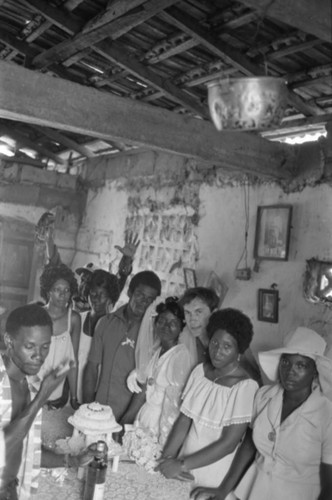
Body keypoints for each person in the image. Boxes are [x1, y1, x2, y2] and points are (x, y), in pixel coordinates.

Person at [191, 327, 332, 500]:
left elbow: (330, 484)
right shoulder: (264, 396)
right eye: (285, 362)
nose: (290, 371)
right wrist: (223, 489)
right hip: (253, 491)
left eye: (301, 365)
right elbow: (248, 446)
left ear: (315, 372)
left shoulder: (327, 414)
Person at [156, 309, 259, 497]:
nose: (218, 351)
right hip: (183, 463)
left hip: (213, 471)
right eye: (215, 342)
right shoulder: (199, 372)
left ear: (239, 351)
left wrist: (181, 464)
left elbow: (229, 443)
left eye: (227, 346)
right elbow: (184, 421)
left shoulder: (245, 387)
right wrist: (167, 458)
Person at [0, 304, 88, 500]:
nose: (39, 356)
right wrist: (42, 398)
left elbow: (28, 448)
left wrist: (73, 461)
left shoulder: (30, 386)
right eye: (29, 346)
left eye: (45, 346)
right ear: (9, 341)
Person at [82, 270, 162, 420]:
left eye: (149, 299)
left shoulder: (154, 335)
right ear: (130, 292)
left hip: (128, 416)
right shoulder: (105, 323)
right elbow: (92, 367)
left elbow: (146, 384)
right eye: (140, 295)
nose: (143, 302)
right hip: (98, 409)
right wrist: (87, 407)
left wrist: (126, 420)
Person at [121, 297, 191, 445]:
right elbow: (143, 392)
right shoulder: (157, 352)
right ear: (155, 322)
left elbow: (174, 407)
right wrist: (125, 421)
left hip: (161, 427)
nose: (166, 326)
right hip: (144, 417)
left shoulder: (180, 357)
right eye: (162, 321)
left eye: (173, 323)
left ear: (181, 327)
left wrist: (163, 443)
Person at [179, 288, 261, 382]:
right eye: (188, 313)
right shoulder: (187, 341)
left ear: (213, 313)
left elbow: (255, 379)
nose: (192, 319)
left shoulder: (233, 341)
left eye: (198, 312)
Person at [38, 263, 81, 410]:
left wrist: (74, 397)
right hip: (34, 387)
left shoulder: (74, 319)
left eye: (67, 290)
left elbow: (73, 361)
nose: (63, 295)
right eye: (57, 289)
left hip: (57, 393)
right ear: (48, 291)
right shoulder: (36, 315)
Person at [77, 269, 119, 401]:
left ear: (110, 298)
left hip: (96, 397)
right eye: (93, 293)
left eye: (103, 294)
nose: (96, 298)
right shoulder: (77, 320)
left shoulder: (113, 328)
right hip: (71, 392)